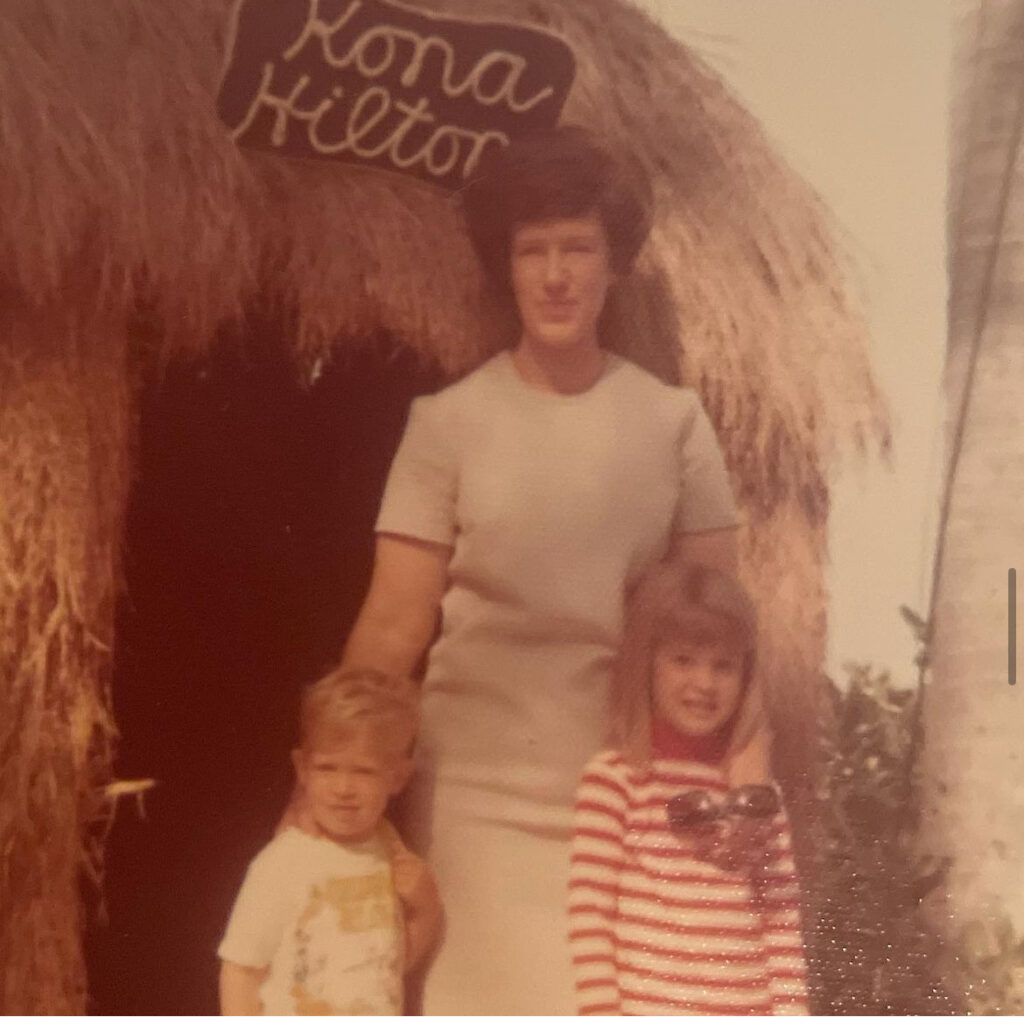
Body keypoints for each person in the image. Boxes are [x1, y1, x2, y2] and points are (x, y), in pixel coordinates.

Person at [340, 126, 749, 1014]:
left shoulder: (675, 425)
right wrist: (323, 789)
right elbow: (393, 624)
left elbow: (721, 632)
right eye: (533, 251)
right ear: (507, 266)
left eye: (578, 248)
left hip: (621, 795)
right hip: (470, 797)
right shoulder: (445, 423)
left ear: (615, 264)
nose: (556, 275)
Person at [568, 562, 809, 1016]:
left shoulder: (758, 796)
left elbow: (780, 924)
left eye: (724, 666)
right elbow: (590, 919)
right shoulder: (617, 778)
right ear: (648, 666)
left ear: (745, 676)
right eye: (683, 660)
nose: (704, 683)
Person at [218, 668, 442, 1016]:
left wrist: (426, 908)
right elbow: (240, 970)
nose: (343, 789)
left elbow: (391, 966)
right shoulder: (285, 861)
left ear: (398, 776)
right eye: (327, 768)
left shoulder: (390, 853)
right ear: (302, 769)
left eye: (363, 771)